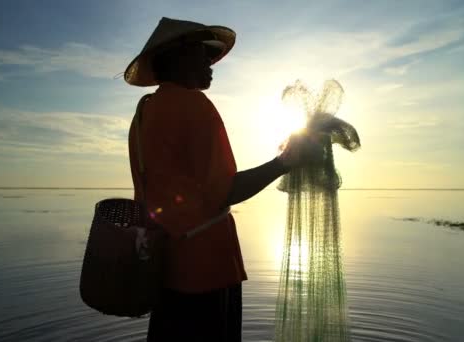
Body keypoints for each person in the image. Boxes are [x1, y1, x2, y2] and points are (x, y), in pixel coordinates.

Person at [124, 17, 319, 342]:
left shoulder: (145, 111)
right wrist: (284, 163)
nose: (211, 62)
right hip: (207, 271)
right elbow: (225, 190)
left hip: (163, 267)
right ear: (176, 56)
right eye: (203, 53)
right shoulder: (195, 106)